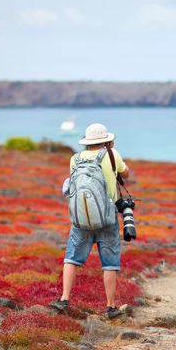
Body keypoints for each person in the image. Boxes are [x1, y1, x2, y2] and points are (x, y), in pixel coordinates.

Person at [50, 123, 130, 319]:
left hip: (81, 219)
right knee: (109, 263)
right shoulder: (112, 154)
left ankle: (64, 299)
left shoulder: (75, 159)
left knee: (71, 259)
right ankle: (111, 307)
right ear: (106, 141)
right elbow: (126, 173)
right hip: (107, 218)